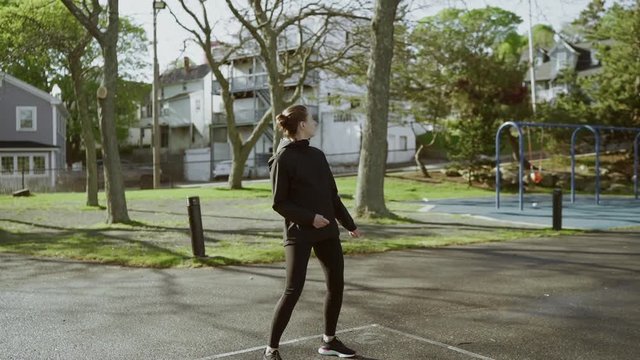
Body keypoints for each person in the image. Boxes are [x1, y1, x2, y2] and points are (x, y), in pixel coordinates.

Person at [264, 105, 362, 360]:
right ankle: (271, 349)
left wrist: (348, 224)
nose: (316, 122)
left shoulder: (317, 155)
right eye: (312, 119)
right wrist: (310, 218)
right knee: (293, 290)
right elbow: (279, 202)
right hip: (300, 232)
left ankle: (329, 342)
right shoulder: (282, 158)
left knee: (336, 285)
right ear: (302, 125)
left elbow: (332, 195)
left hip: (327, 230)